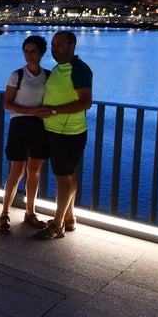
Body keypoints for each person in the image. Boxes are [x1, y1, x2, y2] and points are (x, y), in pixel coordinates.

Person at [30, 30, 93, 239]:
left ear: (71, 46)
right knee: (68, 175)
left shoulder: (80, 70)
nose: (54, 49)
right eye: (53, 45)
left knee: (63, 177)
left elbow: (85, 102)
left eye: (59, 45)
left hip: (68, 133)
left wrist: (55, 111)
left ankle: (57, 225)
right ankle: (69, 218)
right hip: (55, 130)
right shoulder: (60, 68)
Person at [0, 35, 49, 233]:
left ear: (42, 53)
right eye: (26, 51)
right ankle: (4, 213)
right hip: (19, 126)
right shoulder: (16, 75)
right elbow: (7, 104)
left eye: (33, 51)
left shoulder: (49, 76)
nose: (29, 55)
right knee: (16, 172)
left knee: (34, 171)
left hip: (40, 128)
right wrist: (33, 111)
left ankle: (30, 212)